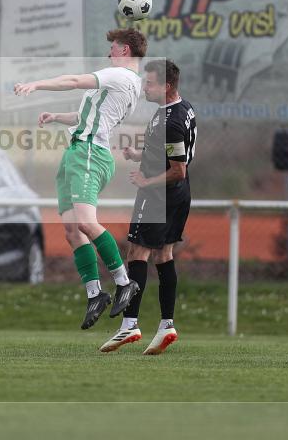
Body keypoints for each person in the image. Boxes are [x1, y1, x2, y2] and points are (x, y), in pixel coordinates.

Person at [13, 29, 145, 329]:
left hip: (90, 153)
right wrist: (57, 117)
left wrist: (36, 84)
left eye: (113, 48)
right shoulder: (124, 82)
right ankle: (95, 293)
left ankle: (125, 282)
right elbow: (89, 113)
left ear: (125, 50)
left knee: (86, 222)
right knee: (73, 229)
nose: (109, 53)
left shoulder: (121, 76)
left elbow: (74, 81)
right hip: (77, 152)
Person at [100, 59, 196, 355]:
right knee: (163, 255)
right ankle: (166, 325)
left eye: (150, 83)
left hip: (160, 194)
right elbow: (168, 155)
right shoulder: (178, 109)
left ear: (167, 86)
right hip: (178, 194)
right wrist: (138, 154)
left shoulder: (172, 121)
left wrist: (146, 180)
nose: (144, 87)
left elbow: (177, 169)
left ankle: (130, 324)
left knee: (137, 253)